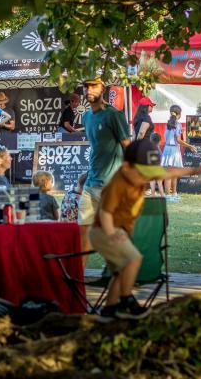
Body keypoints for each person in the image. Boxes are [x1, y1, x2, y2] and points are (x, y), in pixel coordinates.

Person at [93, 139, 201, 319]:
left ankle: (109, 311)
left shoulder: (136, 174)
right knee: (133, 259)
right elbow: (105, 213)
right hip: (106, 230)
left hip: (116, 231)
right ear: (127, 167)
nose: (146, 177)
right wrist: (112, 234)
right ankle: (127, 301)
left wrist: (193, 170)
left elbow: (167, 172)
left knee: (119, 274)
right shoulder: (118, 183)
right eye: (143, 172)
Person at [79, 76, 131, 263]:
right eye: (86, 86)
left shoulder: (114, 115)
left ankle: (124, 279)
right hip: (90, 183)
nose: (89, 90)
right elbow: (97, 147)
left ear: (103, 88)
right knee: (83, 235)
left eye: (94, 86)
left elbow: (128, 147)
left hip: (110, 185)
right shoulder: (86, 117)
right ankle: (79, 281)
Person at [161, 105, 197, 201]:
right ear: (179, 114)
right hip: (174, 150)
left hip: (167, 149)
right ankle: (171, 194)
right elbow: (178, 140)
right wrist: (190, 146)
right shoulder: (178, 124)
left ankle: (172, 194)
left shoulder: (167, 124)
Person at [148, 132, 166, 197]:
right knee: (160, 184)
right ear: (159, 141)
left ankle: (153, 196)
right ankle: (162, 196)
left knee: (152, 184)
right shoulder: (158, 150)